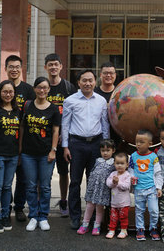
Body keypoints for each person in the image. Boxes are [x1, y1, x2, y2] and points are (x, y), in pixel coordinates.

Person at [62, 69, 110, 230]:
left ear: (95, 82)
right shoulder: (70, 100)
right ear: (78, 82)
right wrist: (65, 147)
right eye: (84, 80)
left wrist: (106, 145)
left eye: (90, 80)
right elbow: (65, 124)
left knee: (94, 181)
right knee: (75, 181)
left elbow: (104, 124)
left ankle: (94, 218)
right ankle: (75, 217)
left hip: (96, 144)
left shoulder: (101, 101)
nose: (87, 83)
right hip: (76, 144)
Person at [19, 77, 61, 232]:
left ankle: (43, 216)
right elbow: (22, 127)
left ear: (49, 89)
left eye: (45, 88)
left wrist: (53, 150)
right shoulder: (27, 105)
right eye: (39, 87)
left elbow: (56, 131)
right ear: (34, 89)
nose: (42, 90)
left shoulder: (54, 109)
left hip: (46, 154)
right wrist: (20, 148)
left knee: (45, 186)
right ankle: (33, 216)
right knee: (30, 186)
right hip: (28, 153)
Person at [1, 54, 35, 222]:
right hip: (5, 141)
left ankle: (19, 207)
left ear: (21, 69)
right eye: (11, 67)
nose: (14, 70)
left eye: (17, 67)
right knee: (4, 180)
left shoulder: (28, 90)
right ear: (5, 68)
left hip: (26, 141)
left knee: (23, 178)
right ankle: (5, 208)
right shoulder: (0, 89)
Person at [44, 53, 77, 218]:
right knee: (44, 173)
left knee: (64, 172)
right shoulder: (42, 86)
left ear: (61, 66)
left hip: (64, 137)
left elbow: (75, 112)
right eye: (50, 64)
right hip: (45, 137)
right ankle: (42, 203)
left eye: (56, 64)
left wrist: (67, 135)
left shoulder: (68, 87)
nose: (53, 67)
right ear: (45, 67)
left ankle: (64, 201)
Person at [0, 80, 21, 234]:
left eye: (11, 92)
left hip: (12, 155)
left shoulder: (17, 111)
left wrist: (19, 153)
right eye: (5, 91)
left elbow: (20, 132)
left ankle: (6, 215)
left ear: (14, 94)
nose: (8, 94)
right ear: (0, 93)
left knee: (7, 187)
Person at [77, 140, 116, 235]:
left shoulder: (113, 163)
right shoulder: (97, 160)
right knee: (89, 206)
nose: (105, 153)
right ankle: (85, 224)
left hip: (103, 189)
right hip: (93, 187)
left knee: (99, 207)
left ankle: (97, 225)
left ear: (113, 150)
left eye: (108, 150)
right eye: (103, 150)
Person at [130, 130, 162, 241]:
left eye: (142, 142)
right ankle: (140, 229)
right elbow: (131, 169)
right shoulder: (133, 156)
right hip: (138, 189)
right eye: (137, 142)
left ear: (150, 144)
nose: (138, 144)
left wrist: (159, 187)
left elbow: (158, 173)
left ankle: (153, 228)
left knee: (154, 210)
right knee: (139, 211)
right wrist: (132, 177)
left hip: (152, 188)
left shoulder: (153, 156)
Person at [105, 152, 132, 239]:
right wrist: (113, 182)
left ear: (127, 164)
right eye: (117, 163)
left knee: (123, 217)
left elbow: (126, 186)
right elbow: (108, 184)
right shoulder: (113, 174)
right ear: (114, 164)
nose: (119, 165)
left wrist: (118, 182)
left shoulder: (127, 175)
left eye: (122, 163)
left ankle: (124, 230)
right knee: (113, 217)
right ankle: (112, 229)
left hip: (124, 202)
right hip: (114, 202)